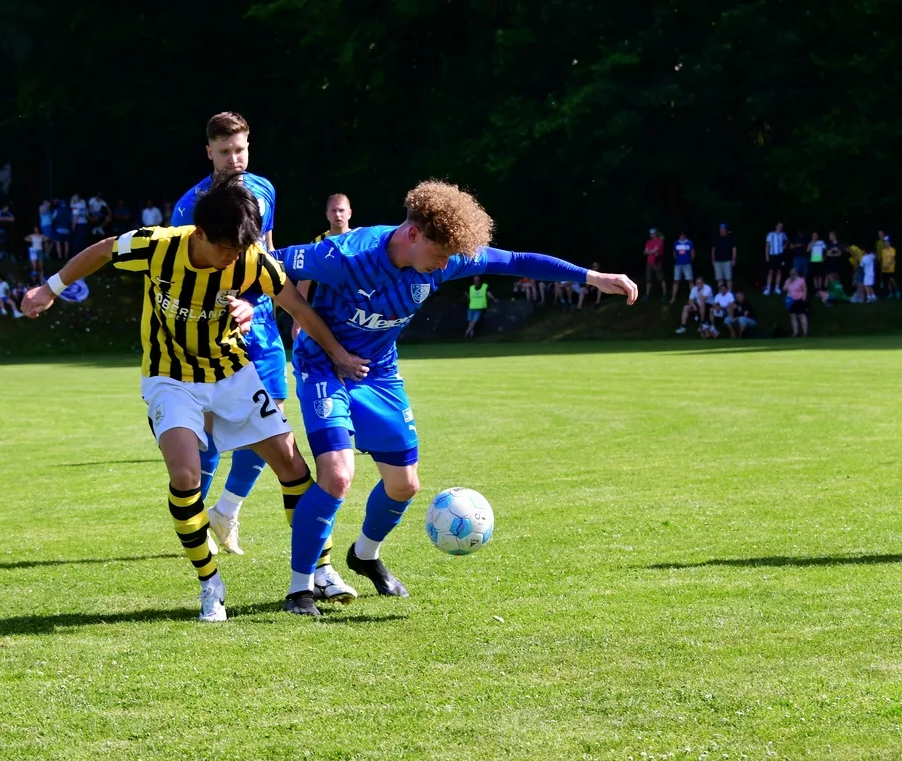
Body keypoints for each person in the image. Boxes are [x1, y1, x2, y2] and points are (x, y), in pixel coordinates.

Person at [272, 180, 636, 616]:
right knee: (337, 475)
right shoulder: (345, 255)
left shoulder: (443, 260)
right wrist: (244, 306)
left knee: (404, 485)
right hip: (323, 367)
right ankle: (300, 589)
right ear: (414, 234)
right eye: (441, 255)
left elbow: (515, 260)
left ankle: (364, 555)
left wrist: (592, 278)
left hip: (378, 372)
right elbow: (264, 264)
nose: (445, 266)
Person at [21, 179, 367, 622]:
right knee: (185, 475)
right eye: (226, 250)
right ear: (200, 233)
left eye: (240, 250)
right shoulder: (158, 246)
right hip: (170, 377)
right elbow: (105, 249)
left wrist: (338, 354)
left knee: (294, 468)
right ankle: (210, 583)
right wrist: (50, 287)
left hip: (232, 374)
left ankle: (319, 569)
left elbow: (297, 306)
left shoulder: (250, 257)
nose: (233, 259)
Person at [168, 111, 299, 566]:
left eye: (240, 149)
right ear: (209, 152)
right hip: (214, 325)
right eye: (224, 151)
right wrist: (227, 304)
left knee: (273, 423)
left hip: (260, 321)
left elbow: (267, 251)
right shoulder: (190, 207)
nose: (234, 158)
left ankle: (227, 510)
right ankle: (196, 522)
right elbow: (185, 272)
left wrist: (276, 303)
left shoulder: (264, 190)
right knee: (209, 432)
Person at [669, 231, 694, 304]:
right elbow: (674, 253)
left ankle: (693, 298)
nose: (682, 236)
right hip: (678, 265)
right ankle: (673, 297)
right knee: (676, 280)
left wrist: (689, 261)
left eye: (683, 235)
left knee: (690, 280)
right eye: (681, 235)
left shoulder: (689, 243)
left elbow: (692, 253)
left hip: (687, 265)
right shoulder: (675, 243)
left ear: (685, 236)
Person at [783, 268, 809, 337]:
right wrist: (787, 284)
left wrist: (804, 298)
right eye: (791, 274)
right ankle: (795, 333)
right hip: (791, 300)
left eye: (793, 274)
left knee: (802, 315)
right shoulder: (788, 280)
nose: (792, 275)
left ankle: (805, 333)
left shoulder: (801, 280)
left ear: (796, 274)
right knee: (793, 316)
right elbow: (784, 289)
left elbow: (804, 289)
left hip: (799, 299)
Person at [710, 223, 736, 292]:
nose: (722, 231)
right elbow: (713, 250)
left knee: (728, 278)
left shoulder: (730, 239)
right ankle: (720, 293)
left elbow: (734, 249)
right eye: (721, 229)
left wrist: (733, 259)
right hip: (717, 261)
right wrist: (713, 260)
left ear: (726, 230)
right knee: (719, 279)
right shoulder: (716, 239)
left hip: (727, 261)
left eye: (723, 229)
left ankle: (729, 293)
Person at [764, 222, 787, 295]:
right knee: (770, 271)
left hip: (780, 255)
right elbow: (767, 246)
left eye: (781, 227)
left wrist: (784, 247)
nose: (780, 228)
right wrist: (767, 256)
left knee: (779, 271)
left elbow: (786, 241)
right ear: (776, 227)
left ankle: (777, 288)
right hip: (772, 255)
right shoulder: (770, 234)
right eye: (779, 226)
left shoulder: (783, 235)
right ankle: (768, 288)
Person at [643, 228, 665, 301]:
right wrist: (651, 252)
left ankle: (664, 294)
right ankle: (647, 295)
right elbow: (646, 251)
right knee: (648, 279)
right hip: (649, 262)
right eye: (651, 234)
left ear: (656, 234)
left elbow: (654, 250)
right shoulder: (648, 242)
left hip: (657, 262)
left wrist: (650, 252)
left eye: (653, 233)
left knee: (661, 279)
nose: (652, 235)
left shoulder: (659, 241)